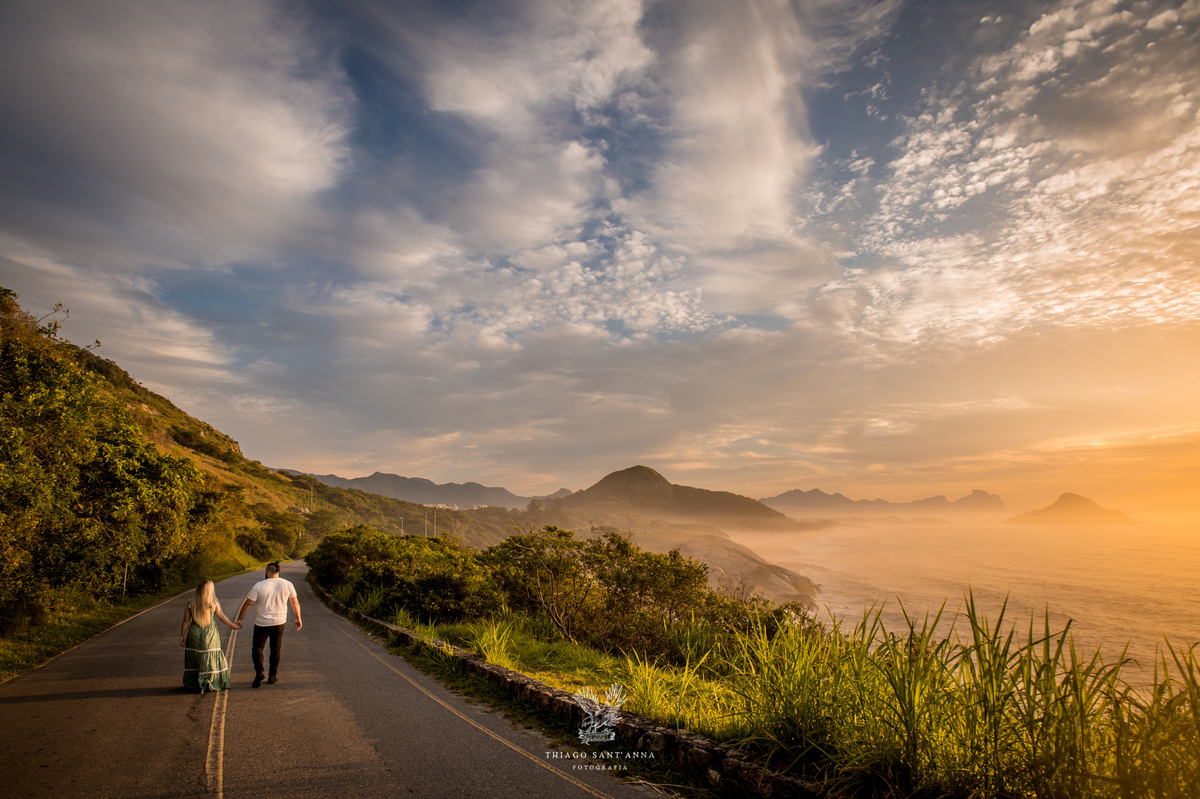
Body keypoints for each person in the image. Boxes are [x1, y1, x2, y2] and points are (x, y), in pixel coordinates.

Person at [235, 562, 302, 688]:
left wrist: (240, 619)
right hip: (279, 622)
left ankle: (260, 671)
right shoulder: (287, 584)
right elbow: (295, 603)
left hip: (262, 623)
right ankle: (272, 676)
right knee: (275, 649)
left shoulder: (259, 585)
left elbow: (248, 604)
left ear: (268, 572)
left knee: (257, 648)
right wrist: (298, 618)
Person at [180, 579, 240, 693]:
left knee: (196, 657)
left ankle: (194, 682)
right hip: (209, 633)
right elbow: (221, 616)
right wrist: (233, 625)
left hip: (194, 632)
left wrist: (182, 635)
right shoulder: (213, 602)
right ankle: (210, 680)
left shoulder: (190, 602)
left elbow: (186, 620)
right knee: (209, 657)